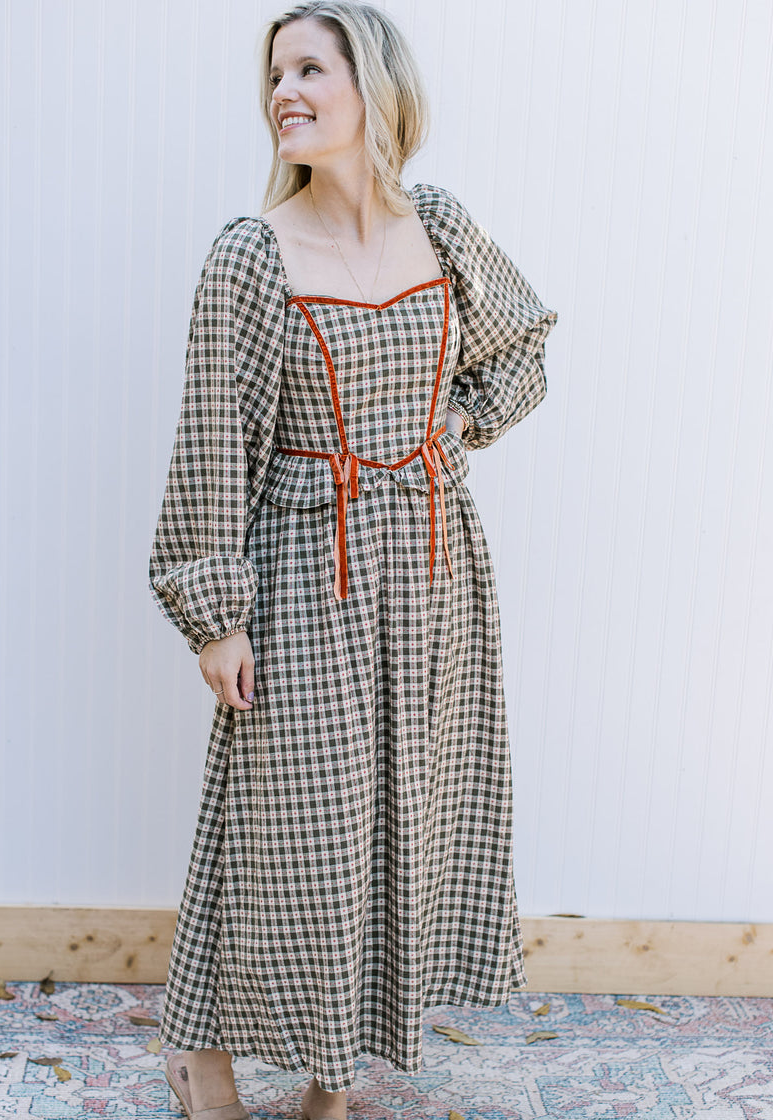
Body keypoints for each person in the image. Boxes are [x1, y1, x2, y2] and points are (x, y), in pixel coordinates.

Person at [148, 2, 557, 1118]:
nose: (284, 90)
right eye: (274, 74)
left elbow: (518, 347)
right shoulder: (250, 256)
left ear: (373, 86)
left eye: (310, 68)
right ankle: (206, 1057)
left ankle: (335, 1077)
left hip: (430, 571)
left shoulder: (441, 227)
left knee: (401, 824)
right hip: (301, 572)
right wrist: (214, 614)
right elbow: (211, 445)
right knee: (287, 831)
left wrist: (446, 434)